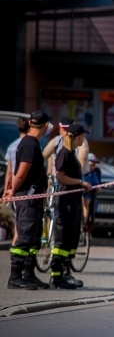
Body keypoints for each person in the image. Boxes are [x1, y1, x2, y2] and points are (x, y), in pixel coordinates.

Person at [4, 110, 51, 290]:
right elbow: (21, 171)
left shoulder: (31, 143)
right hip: (28, 198)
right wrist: (13, 191)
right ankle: (15, 276)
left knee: (33, 236)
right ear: (45, 125)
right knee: (25, 235)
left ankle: (29, 274)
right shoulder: (30, 145)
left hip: (33, 198)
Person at [50, 123, 93, 289]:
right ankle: (57, 277)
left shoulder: (72, 154)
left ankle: (66, 273)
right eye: (82, 136)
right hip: (65, 203)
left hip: (73, 202)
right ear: (76, 137)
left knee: (71, 239)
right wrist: (80, 182)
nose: (84, 139)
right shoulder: (64, 153)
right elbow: (60, 177)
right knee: (62, 240)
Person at [3, 116, 31, 244]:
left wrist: (7, 189)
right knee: (24, 217)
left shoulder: (11, 147)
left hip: (15, 184)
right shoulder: (30, 144)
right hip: (27, 185)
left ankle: (16, 241)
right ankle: (17, 242)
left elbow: (9, 172)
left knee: (19, 215)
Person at [82, 152, 102, 232]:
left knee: (87, 203)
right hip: (81, 192)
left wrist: (98, 187)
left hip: (89, 193)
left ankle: (85, 221)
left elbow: (97, 183)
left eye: (94, 165)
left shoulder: (94, 173)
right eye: (90, 165)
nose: (92, 167)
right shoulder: (82, 172)